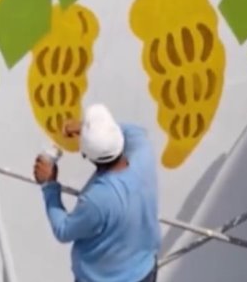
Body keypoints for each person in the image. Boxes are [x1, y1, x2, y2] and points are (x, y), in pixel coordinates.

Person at [33, 104, 160, 282]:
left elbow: (63, 230)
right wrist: (89, 128)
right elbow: (135, 131)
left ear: (86, 154)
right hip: (144, 271)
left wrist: (49, 185)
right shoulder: (143, 153)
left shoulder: (97, 199)